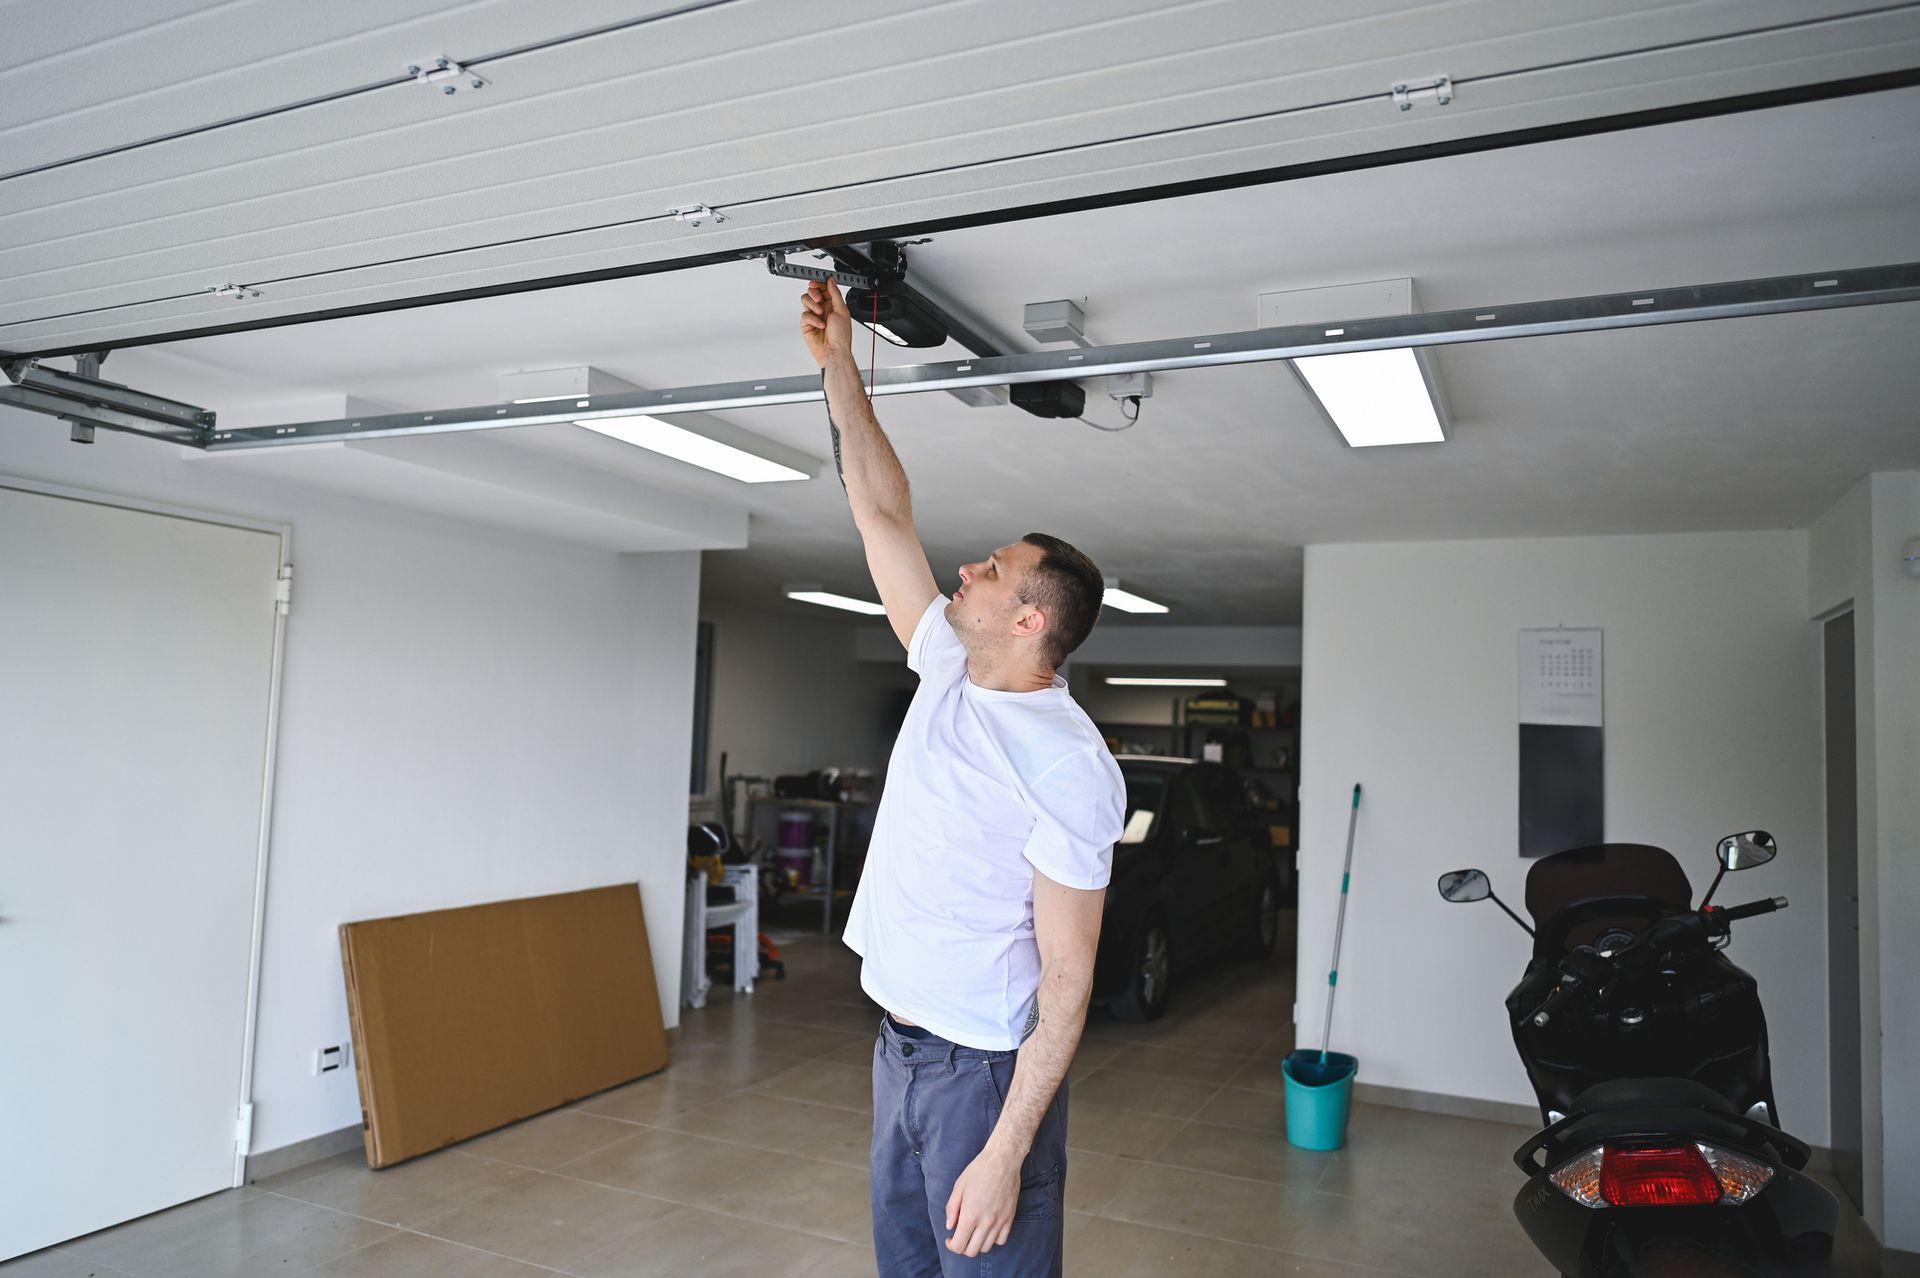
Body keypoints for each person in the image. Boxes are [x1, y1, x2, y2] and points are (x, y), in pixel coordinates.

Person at [799, 277, 1125, 1276]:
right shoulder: (946, 657)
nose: (969, 573)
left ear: (1030, 621)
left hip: (981, 1072)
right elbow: (883, 514)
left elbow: (1068, 981)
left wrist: (1006, 1148)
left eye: (992, 569)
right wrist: (841, 372)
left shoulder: (1067, 763)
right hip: (897, 1045)